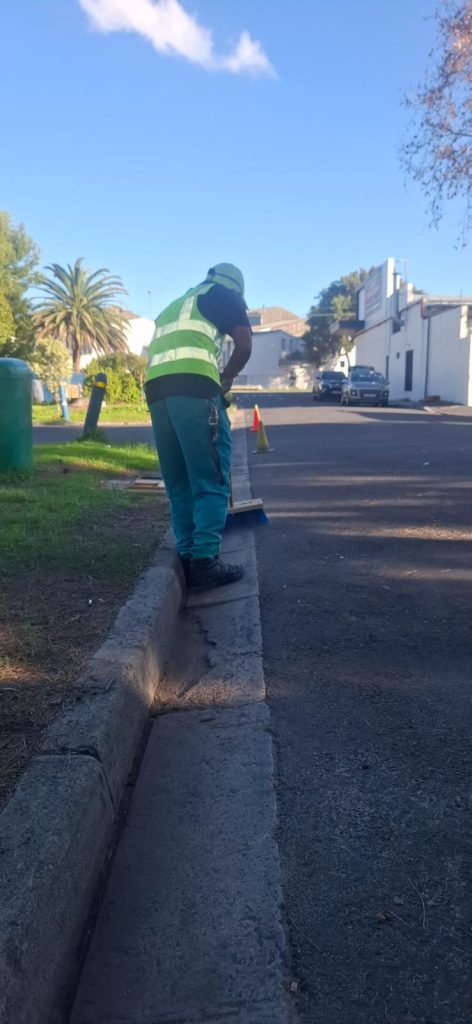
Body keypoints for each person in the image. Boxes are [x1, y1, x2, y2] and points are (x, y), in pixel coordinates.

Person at [145, 263, 253, 590]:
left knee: (178, 479)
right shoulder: (224, 295)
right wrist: (226, 378)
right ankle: (205, 562)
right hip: (196, 389)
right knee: (211, 476)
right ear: (237, 289)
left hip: (157, 392)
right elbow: (244, 346)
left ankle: (187, 554)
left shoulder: (176, 304)